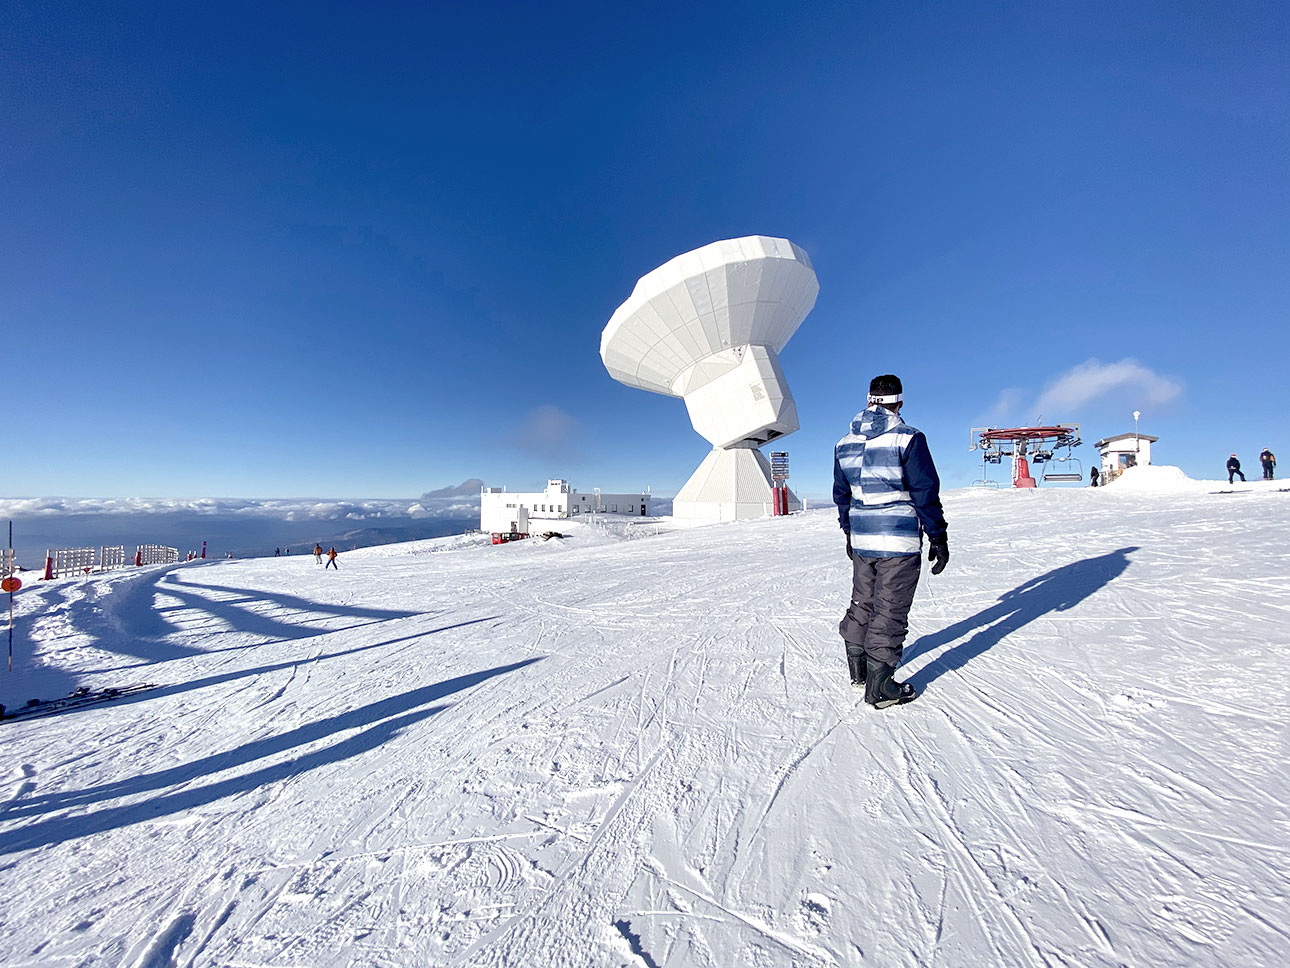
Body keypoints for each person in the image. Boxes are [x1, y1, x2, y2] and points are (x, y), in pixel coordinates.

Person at [833, 374, 949, 709]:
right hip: (898, 541)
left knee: (863, 601)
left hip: (863, 537)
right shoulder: (908, 438)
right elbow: (924, 490)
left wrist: (849, 531)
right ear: (899, 401)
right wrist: (937, 535)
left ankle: (859, 671)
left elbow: (842, 494)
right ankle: (880, 687)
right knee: (889, 608)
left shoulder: (843, 443)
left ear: (869, 401)